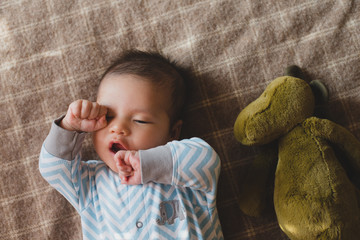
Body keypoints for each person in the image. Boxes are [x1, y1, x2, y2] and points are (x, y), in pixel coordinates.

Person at [39, 50, 224, 240]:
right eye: (108, 117)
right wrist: (70, 127)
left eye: (140, 120)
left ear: (173, 132)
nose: (118, 128)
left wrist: (148, 163)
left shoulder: (182, 174)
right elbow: (53, 169)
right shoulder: (92, 183)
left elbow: (207, 159)